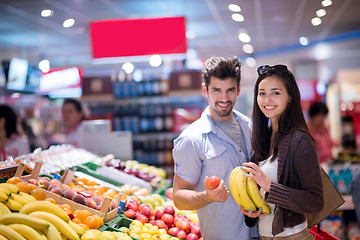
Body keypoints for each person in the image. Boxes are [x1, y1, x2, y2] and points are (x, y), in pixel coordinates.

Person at [172, 56, 258, 240]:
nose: (224, 98)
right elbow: (178, 197)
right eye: (216, 90)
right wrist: (206, 197)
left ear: (239, 89)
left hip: (261, 233)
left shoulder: (250, 127)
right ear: (205, 90)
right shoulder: (192, 139)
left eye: (230, 90)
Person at [240, 65, 324, 239]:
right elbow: (262, 200)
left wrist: (269, 186)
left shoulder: (300, 140)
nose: (267, 100)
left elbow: (316, 202)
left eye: (275, 93)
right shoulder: (264, 138)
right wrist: (250, 213)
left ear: (290, 97)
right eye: (262, 93)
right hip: (264, 236)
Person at [307, 101, 338, 168]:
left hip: (328, 165)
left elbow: (328, 141)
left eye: (324, 116)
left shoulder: (326, 127)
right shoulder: (305, 130)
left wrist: (334, 143)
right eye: (320, 117)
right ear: (312, 116)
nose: (322, 120)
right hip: (314, 168)